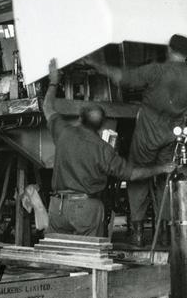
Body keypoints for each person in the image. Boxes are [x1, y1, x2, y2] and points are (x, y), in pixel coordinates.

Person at [87, 34, 187, 246]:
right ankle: (163, 233)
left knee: (138, 177)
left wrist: (97, 64)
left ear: (169, 49)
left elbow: (121, 77)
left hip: (148, 132)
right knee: (166, 176)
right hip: (172, 134)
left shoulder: (157, 70)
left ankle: (136, 233)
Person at [44, 59, 176, 237]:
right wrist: (162, 168)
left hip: (57, 208)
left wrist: (53, 81)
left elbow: (47, 107)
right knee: (89, 259)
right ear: (102, 126)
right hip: (86, 209)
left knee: (57, 257)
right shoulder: (103, 149)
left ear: (80, 118)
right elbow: (133, 174)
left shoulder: (63, 132)